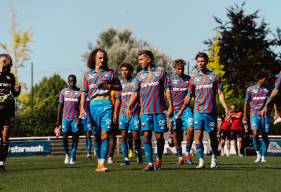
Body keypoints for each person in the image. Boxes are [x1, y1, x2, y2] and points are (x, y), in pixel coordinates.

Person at [177, 52, 228, 168]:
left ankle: (214, 158)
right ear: (196, 63)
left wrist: (225, 107)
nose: (200, 63)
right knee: (198, 136)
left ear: (206, 62)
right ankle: (201, 160)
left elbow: (220, 93)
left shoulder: (215, 76)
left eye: (202, 61)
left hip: (210, 112)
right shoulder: (193, 79)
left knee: (212, 136)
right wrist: (181, 111)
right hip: (198, 111)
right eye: (198, 61)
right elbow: (188, 96)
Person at [127, 50, 172, 171]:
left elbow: (167, 89)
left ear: (149, 59)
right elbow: (135, 93)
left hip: (159, 111)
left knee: (159, 136)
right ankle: (150, 163)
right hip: (145, 111)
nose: (139, 62)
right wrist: (129, 106)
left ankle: (159, 159)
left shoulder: (161, 71)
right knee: (146, 135)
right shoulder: (139, 75)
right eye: (139, 60)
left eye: (141, 59)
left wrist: (170, 106)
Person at [79, 48, 121, 172]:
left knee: (105, 134)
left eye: (104, 58)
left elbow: (119, 87)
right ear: (94, 59)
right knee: (96, 136)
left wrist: (109, 86)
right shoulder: (87, 75)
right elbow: (83, 93)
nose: (102, 60)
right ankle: (99, 162)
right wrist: (82, 108)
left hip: (107, 104)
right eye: (100, 58)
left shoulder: (110, 73)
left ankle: (103, 163)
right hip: (93, 106)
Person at [166, 59, 194, 165]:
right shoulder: (170, 80)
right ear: (174, 69)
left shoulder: (189, 80)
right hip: (174, 110)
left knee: (191, 129)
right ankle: (179, 156)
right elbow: (167, 93)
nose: (181, 70)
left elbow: (191, 95)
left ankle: (187, 152)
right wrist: (170, 107)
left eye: (182, 68)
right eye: (178, 69)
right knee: (176, 134)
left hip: (186, 110)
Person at [115, 62, 142, 165]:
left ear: (130, 71)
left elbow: (139, 97)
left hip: (134, 113)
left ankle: (138, 152)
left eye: (126, 70)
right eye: (122, 70)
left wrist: (142, 109)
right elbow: (118, 99)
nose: (124, 72)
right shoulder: (119, 84)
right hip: (122, 114)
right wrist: (115, 113)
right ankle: (126, 158)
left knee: (135, 136)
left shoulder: (135, 81)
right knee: (123, 136)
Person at [243, 71, 273, 163]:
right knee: (255, 134)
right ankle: (258, 154)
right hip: (254, 114)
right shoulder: (250, 89)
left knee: (265, 134)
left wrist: (275, 112)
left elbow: (273, 100)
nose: (266, 81)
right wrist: (244, 115)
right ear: (260, 79)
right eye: (265, 79)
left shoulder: (268, 89)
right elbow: (246, 102)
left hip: (265, 115)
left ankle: (263, 156)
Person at [0, 54, 21, 172]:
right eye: (10, 62)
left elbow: (14, 93)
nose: (12, 64)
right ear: (3, 62)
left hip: (8, 111)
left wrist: (17, 91)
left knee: (5, 138)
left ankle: (1, 163)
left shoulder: (11, 76)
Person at [55, 74, 81, 165]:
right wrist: (58, 120)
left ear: (76, 81)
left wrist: (79, 118)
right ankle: (67, 154)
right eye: (70, 81)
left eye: (73, 80)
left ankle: (73, 155)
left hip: (75, 118)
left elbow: (81, 107)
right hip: (65, 118)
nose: (72, 82)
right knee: (64, 136)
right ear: (68, 82)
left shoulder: (80, 92)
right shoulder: (63, 92)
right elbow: (60, 106)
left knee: (75, 137)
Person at [82, 95, 93, 160]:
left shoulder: (92, 93)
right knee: (87, 136)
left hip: (91, 116)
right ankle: (88, 153)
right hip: (84, 117)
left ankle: (90, 153)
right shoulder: (83, 94)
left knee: (91, 135)